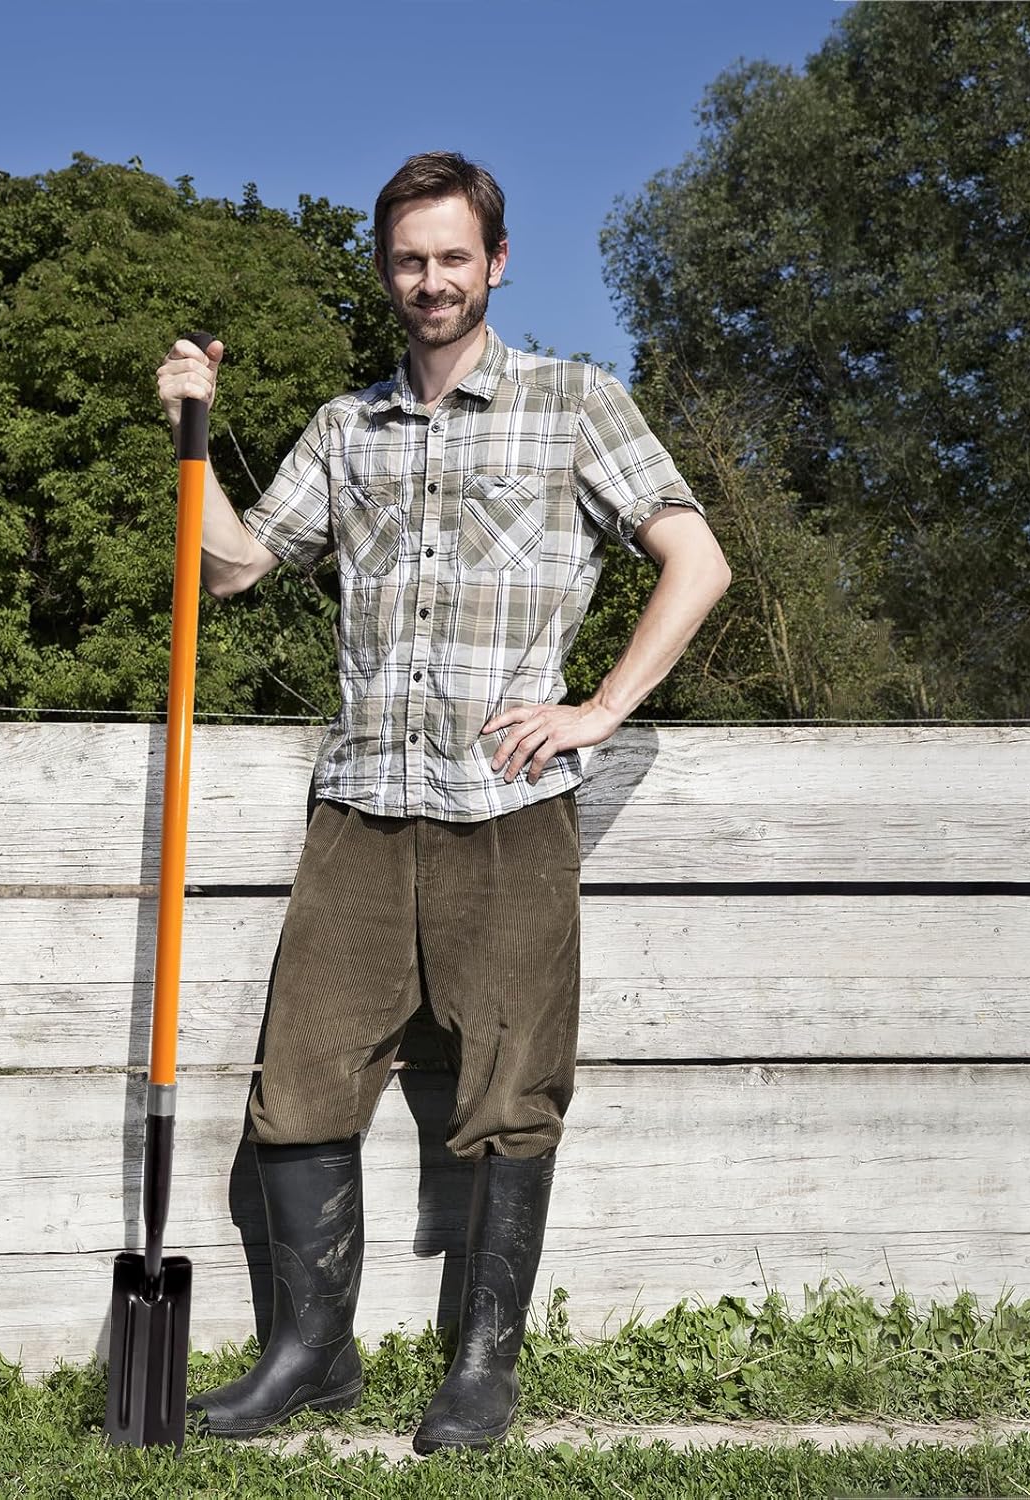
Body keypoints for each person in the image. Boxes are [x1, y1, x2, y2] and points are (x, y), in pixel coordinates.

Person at [155, 151, 731, 1453]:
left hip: (508, 808)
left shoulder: (574, 403)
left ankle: (481, 1370)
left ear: (496, 265)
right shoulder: (343, 429)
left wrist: (599, 709)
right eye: (410, 259)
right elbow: (234, 569)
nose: (431, 280)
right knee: (301, 1085)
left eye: (453, 257)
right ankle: (312, 1356)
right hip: (360, 809)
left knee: (510, 1093)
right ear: (387, 270)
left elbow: (696, 561)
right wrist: (192, 433)